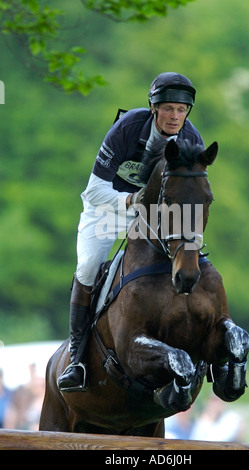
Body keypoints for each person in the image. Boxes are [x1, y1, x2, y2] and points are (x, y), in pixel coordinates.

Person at [57, 72, 204, 392]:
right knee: (88, 267)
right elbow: (95, 191)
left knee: (190, 265)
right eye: (168, 109)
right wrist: (130, 199)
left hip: (154, 216)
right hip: (107, 210)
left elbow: (193, 194)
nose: (175, 116)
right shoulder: (127, 128)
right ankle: (77, 358)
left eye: (182, 110)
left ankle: (207, 356)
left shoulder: (191, 139)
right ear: (153, 108)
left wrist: (191, 237)